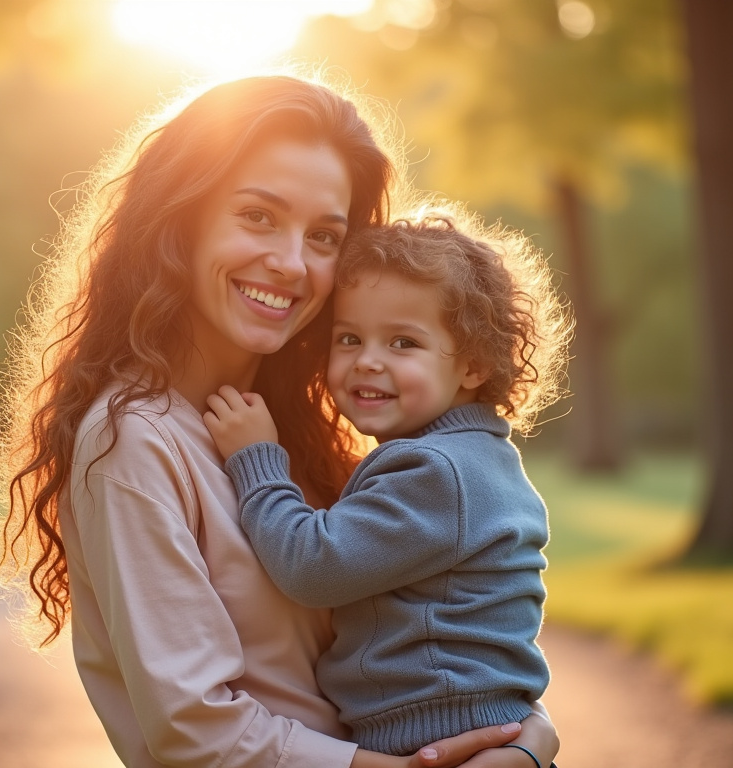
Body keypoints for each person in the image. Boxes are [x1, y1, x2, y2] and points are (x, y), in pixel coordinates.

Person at [0, 74, 560, 768]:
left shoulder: (302, 428)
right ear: (182, 219)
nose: (291, 264)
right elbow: (198, 733)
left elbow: (436, 633)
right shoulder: (133, 442)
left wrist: (526, 736)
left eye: (323, 235)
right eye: (258, 216)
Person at [202, 212, 569, 759]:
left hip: (435, 732)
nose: (367, 361)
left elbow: (313, 567)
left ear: (472, 365)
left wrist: (257, 460)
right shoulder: (481, 457)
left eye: (403, 343)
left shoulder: (435, 472)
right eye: (349, 338)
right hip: (465, 725)